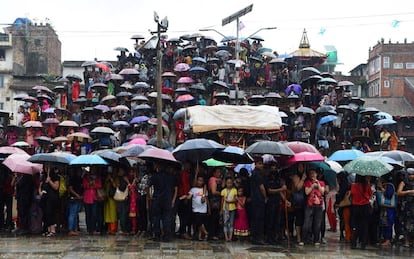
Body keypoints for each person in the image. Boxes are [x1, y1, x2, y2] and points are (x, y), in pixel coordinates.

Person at [147, 162, 178, 242]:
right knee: (167, 217)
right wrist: (173, 200)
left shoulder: (154, 176)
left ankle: (157, 235)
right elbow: (175, 188)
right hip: (167, 199)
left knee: (156, 217)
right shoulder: (171, 177)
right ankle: (167, 235)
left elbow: (147, 186)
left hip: (157, 199)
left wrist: (149, 196)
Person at [180, 175, 209, 241]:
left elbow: (206, 199)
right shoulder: (193, 189)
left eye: (201, 181)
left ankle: (200, 236)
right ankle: (205, 232)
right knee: (198, 222)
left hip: (203, 209)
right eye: (198, 180)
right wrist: (185, 196)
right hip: (195, 209)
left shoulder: (204, 190)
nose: (199, 182)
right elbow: (189, 197)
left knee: (200, 222)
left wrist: (208, 208)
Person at [302, 168, 325, 246]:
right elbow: (307, 192)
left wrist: (317, 184)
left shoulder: (321, 182)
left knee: (317, 223)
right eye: (311, 173)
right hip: (310, 204)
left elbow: (322, 192)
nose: (312, 175)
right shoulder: (307, 182)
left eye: (314, 173)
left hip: (319, 205)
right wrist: (312, 186)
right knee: (307, 223)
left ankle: (316, 240)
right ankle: (303, 239)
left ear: (316, 174)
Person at [350, 175, 373, 249]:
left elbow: (352, 194)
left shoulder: (353, 185)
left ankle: (354, 243)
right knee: (365, 226)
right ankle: (363, 244)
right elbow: (370, 195)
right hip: (365, 207)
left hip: (356, 207)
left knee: (356, 225)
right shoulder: (367, 185)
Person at [249, 156, 268, 245]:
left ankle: (256, 236)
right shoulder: (257, 174)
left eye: (262, 163)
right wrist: (265, 197)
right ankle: (257, 237)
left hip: (255, 199)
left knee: (257, 218)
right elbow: (262, 188)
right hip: (258, 199)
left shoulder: (254, 173)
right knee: (259, 219)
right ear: (256, 164)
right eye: (259, 163)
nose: (261, 165)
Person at [39, 167, 60, 237]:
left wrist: (50, 181)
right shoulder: (43, 176)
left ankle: (52, 230)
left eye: (48, 167)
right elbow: (40, 186)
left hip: (52, 198)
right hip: (45, 198)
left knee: (51, 213)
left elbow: (56, 187)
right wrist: (40, 192)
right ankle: (47, 230)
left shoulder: (55, 176)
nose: (46, 168)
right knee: (46, 214)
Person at [82, 166, 102, 235]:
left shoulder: (98, 177)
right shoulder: (86, 177)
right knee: (88, 214)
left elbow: (99, 185)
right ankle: (89, 228)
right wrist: (90, 184)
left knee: (94, 214)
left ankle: (93, 228)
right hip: (87, 198)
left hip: (95, 198)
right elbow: (84, 186)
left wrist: (93, 184)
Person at [397, 168, 414, 248]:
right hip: (407, 205)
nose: (411, 176)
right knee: (406, 223)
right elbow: (399, 192)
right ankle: (406, 241)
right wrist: (409, 192)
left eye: (412, 174)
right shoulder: (404, 182)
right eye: (410, 174)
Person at [67, 168, 83, 236]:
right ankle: (70, 229)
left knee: (75, 214)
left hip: (78, 198)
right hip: (73, 198)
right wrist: (77, 195)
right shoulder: (72, 179)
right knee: (72, 214)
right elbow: (70, 189)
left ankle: (75, 229)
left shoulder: (80, 179)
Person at [208, 167, 223, 240]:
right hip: (214, 201)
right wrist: (221, 193)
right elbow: (213, 191)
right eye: (217, 172)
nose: (219, 174)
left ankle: (216, 233)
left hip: (218, 201)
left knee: (217, 218)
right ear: (214, 173)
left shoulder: (219, 180)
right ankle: (212, 234)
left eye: (220, 172)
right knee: (213, 218)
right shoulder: (213, 180)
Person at [221, 177, 237, 242]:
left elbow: (235, 199)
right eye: (228, 183)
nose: (229, 184)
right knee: (225, 223)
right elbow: (222, 201)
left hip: (232, 208)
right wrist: (221, 209)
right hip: (225, 209)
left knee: (231, 223)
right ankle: (226, 237)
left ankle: (230, 237)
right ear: (226, 183)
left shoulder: (234, 190)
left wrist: (229, 201)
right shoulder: (223, 191)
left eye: (230, 183)